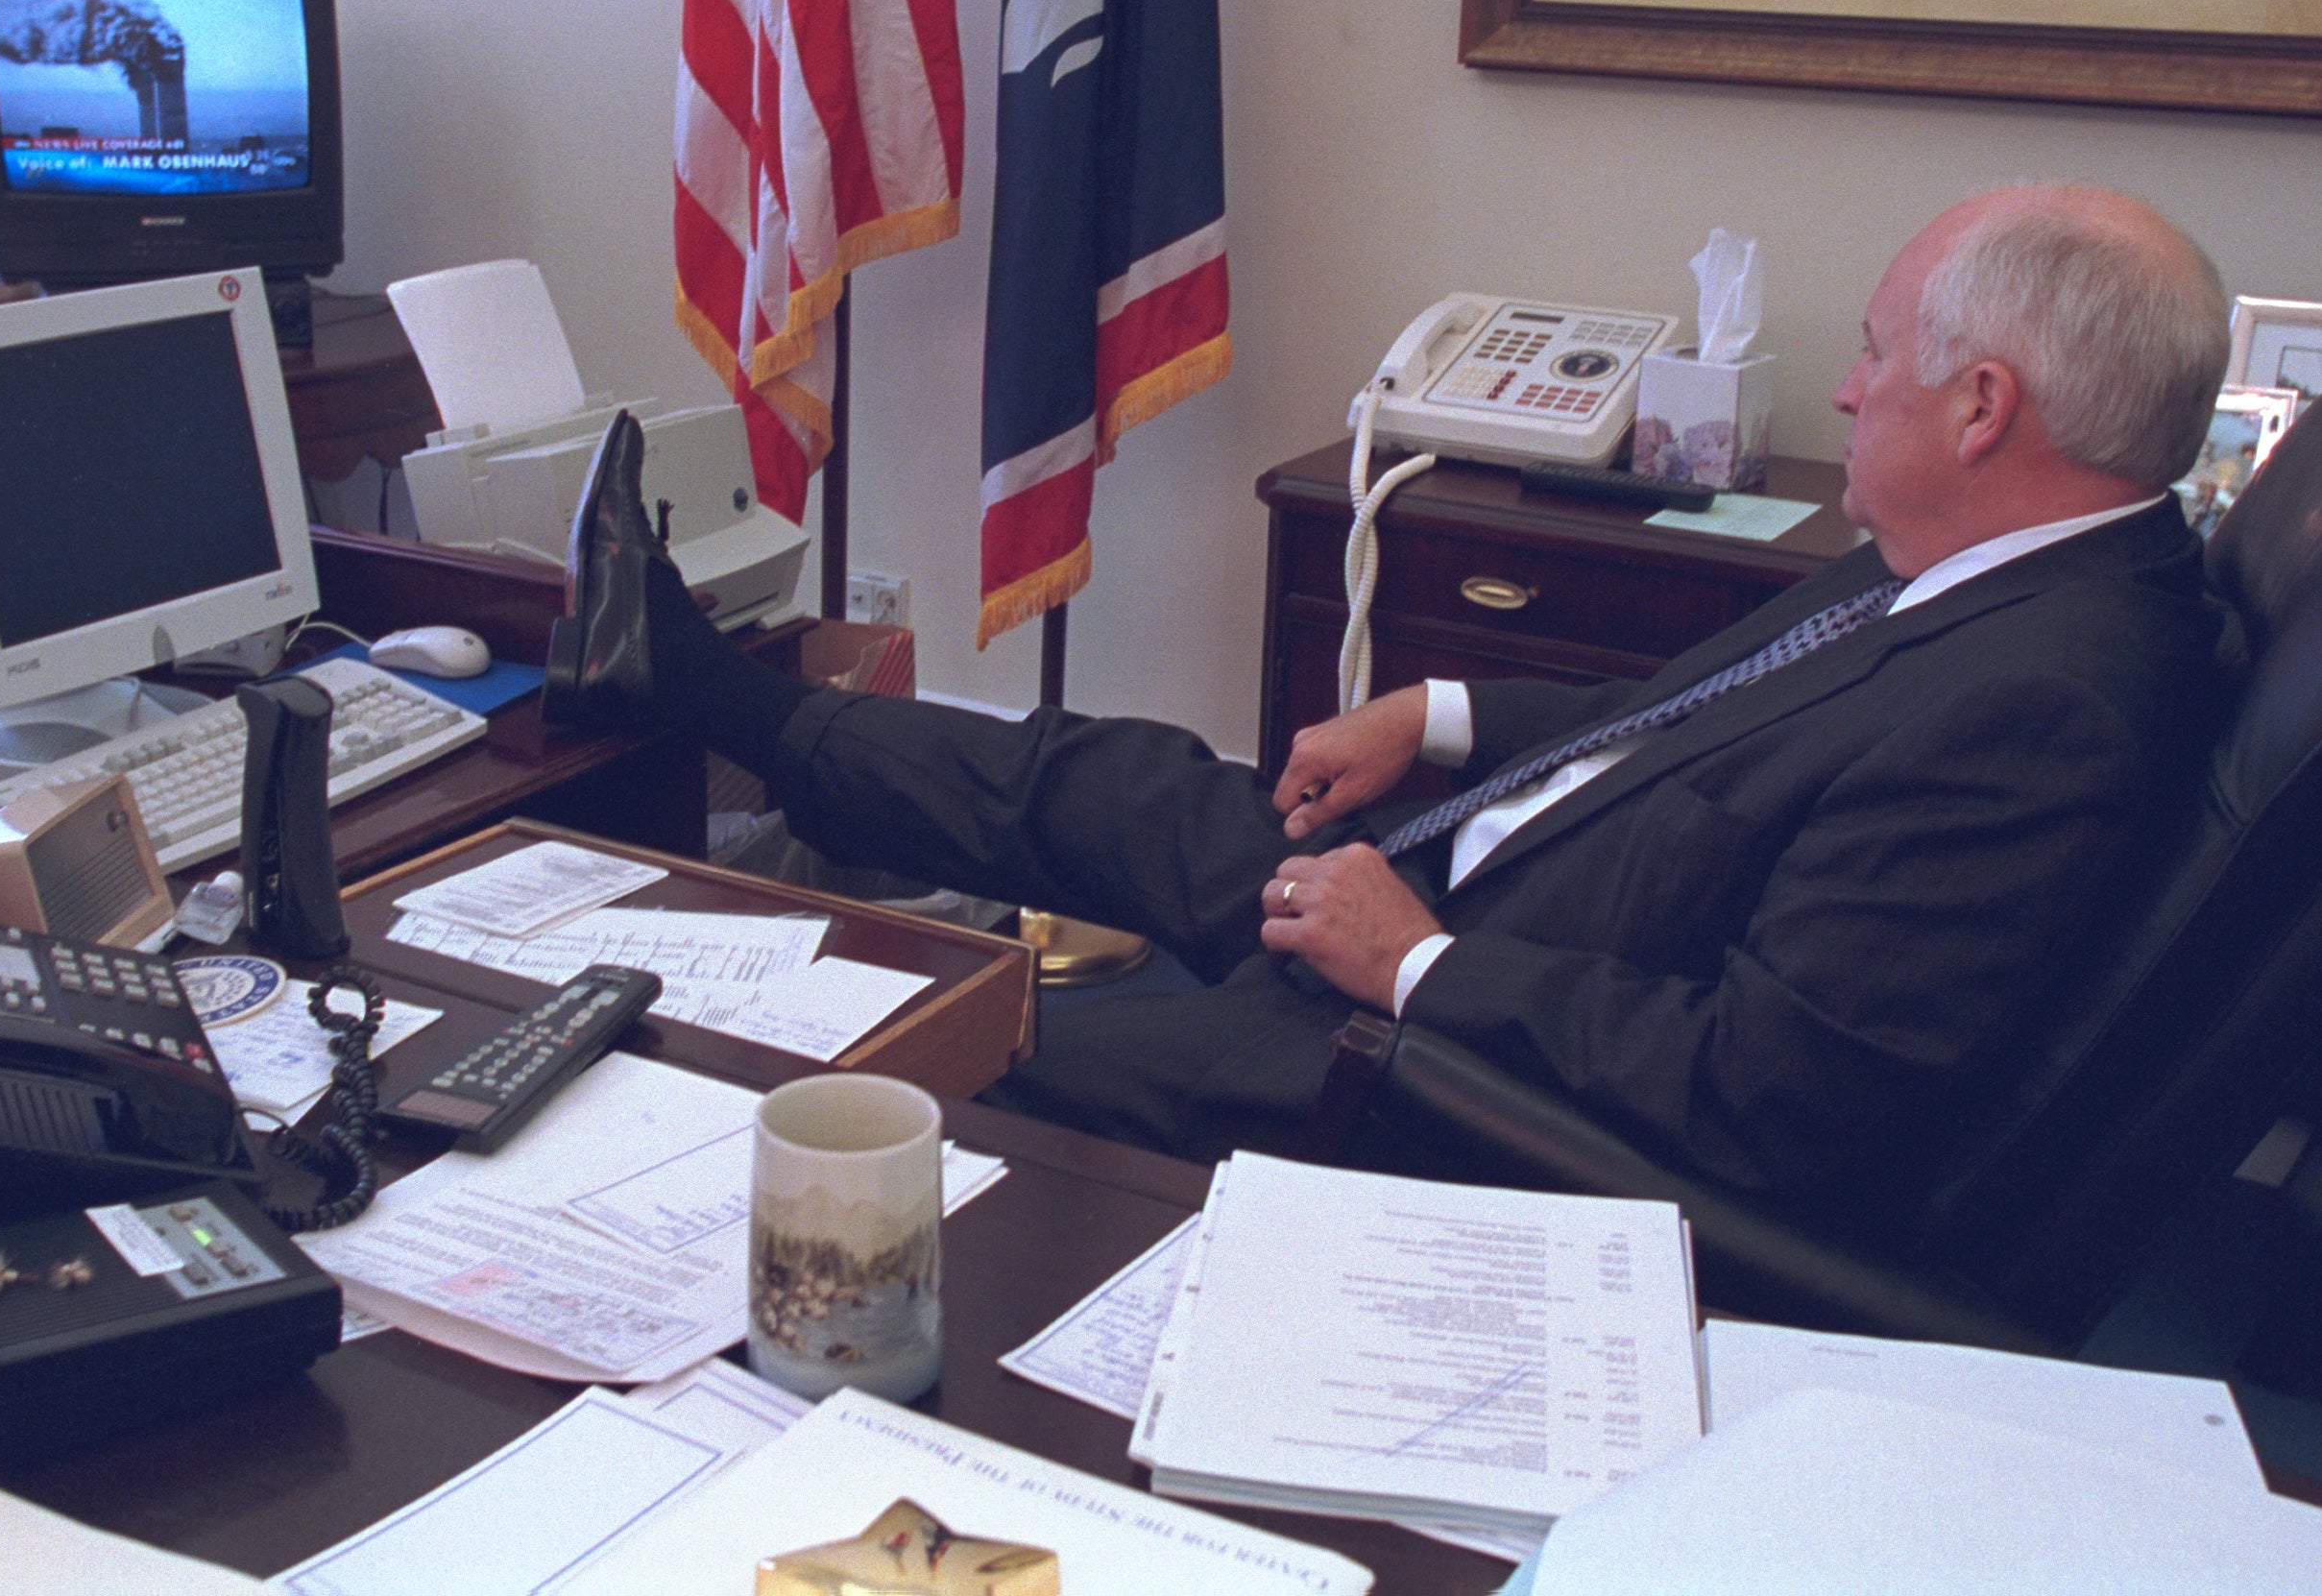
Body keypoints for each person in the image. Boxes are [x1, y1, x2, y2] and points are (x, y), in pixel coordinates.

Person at [548, 185, 2235, 1210]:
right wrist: (1429, 713)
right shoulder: (1967, 563)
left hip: (1452, 1056)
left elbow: (1770, 1097)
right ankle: (702, 690)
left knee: (973, 1031)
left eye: (1877, 354)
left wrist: (1412, 961)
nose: (1851, 383)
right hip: (1468, 882)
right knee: (1097, 775)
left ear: (1981, 409)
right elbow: (1682, 733)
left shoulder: (2047, 704)